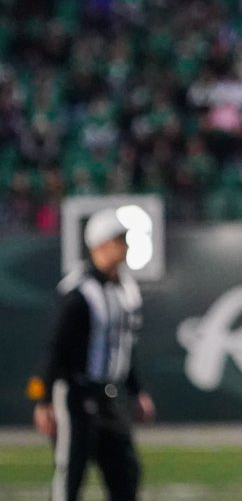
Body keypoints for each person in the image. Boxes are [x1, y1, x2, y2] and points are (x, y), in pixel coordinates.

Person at [30, 209, 156, 501]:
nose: (124, 245)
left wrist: (136, 391)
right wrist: (43, 398)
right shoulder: (78, 291)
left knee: (126, 474)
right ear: (100, 244)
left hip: (112, 396)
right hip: (76, 394)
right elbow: (55, 347)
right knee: (71, 474)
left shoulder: (126, 289)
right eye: (119, 239)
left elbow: (124, 347)